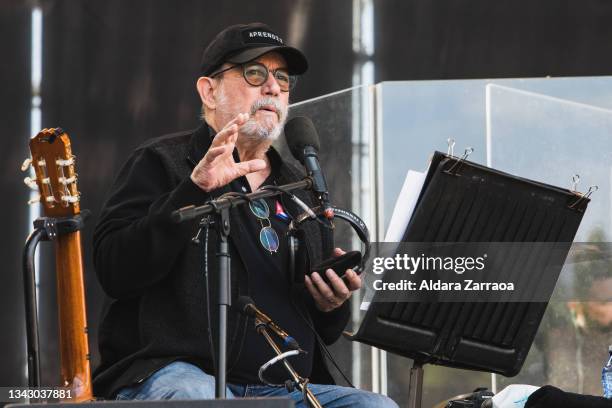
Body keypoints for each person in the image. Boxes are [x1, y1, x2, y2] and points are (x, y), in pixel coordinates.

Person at [92, 22, 398, 408]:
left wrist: (330, 304)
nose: (272, 87)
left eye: (283, 80)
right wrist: (193, 189)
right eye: (255, 73)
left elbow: (321, 329)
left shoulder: (300, 188)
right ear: (209, 90)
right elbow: (115, 269)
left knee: (376, 406)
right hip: (177, 373)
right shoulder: (162, 162)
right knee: (198, 396)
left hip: (282, 386)